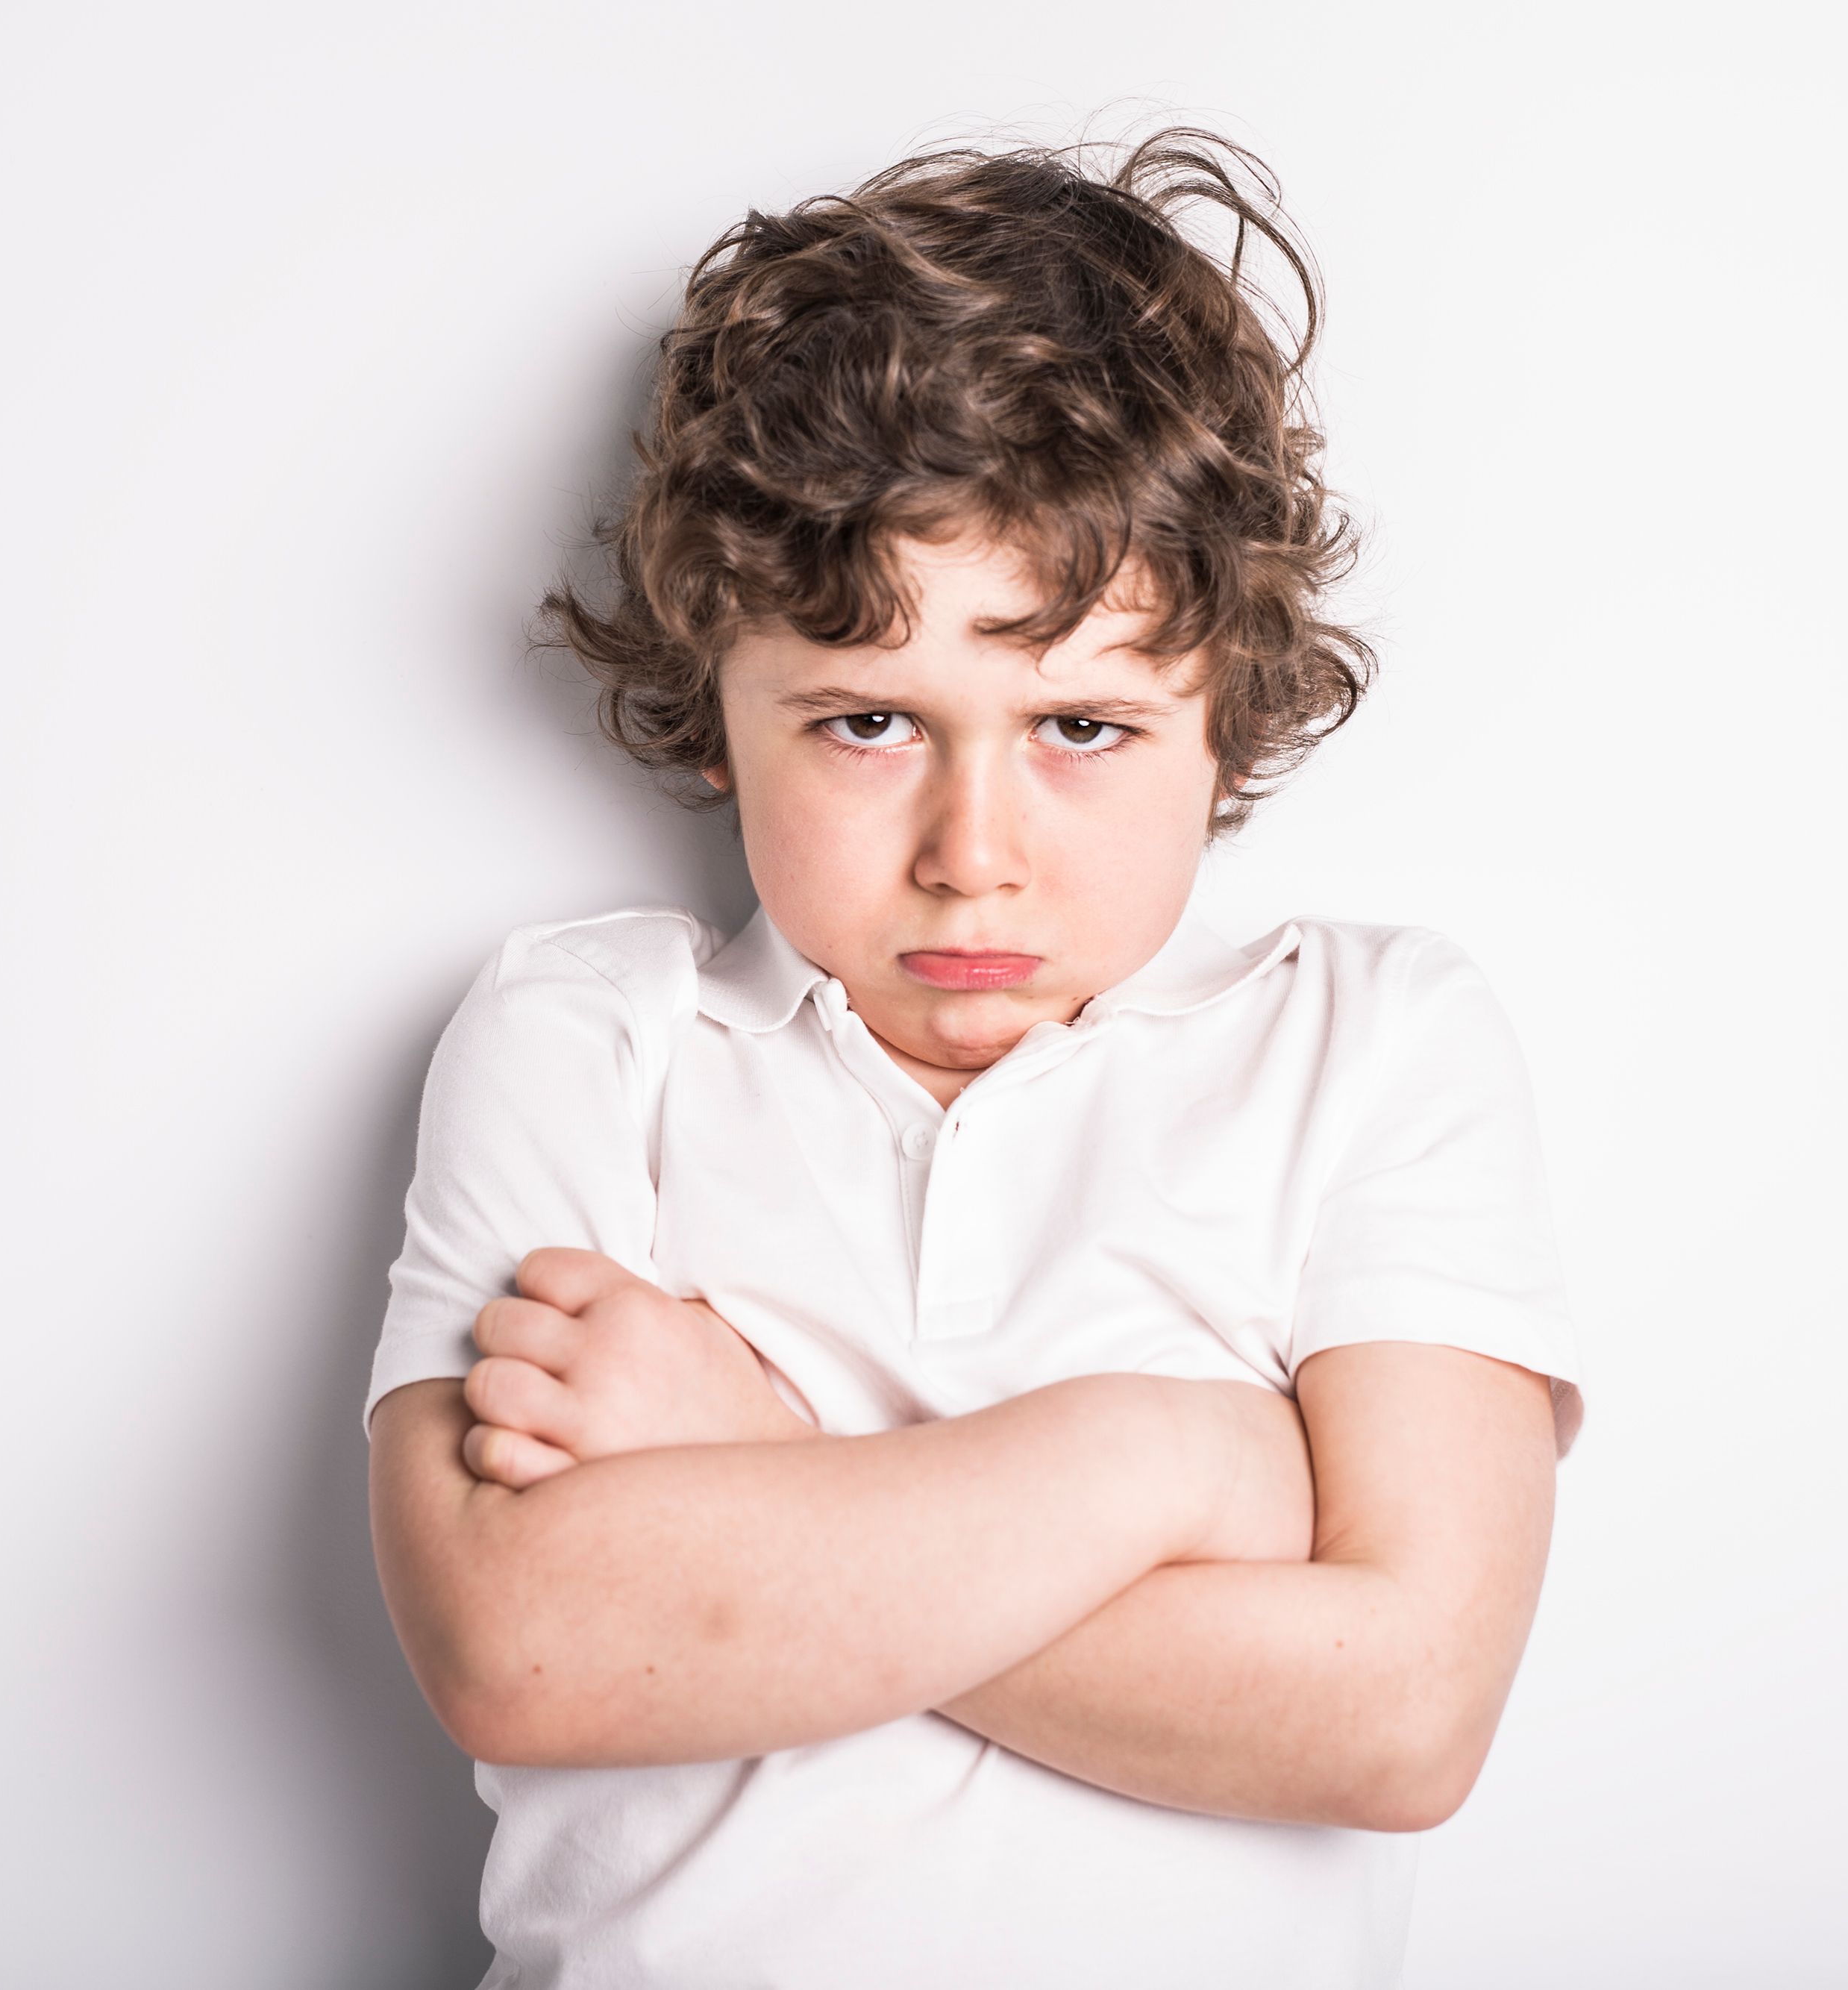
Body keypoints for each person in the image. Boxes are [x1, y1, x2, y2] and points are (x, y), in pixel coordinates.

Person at [363, 129, 1587, 1989]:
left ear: (1222, 709)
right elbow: (527, 1651)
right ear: (716, 703)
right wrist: (1178, 1463)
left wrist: (756, 1457)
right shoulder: (589, 1034)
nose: (973, 848)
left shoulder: (1371, 1040)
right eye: (865, 720)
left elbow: (1398, 1713)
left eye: (1081, 724)